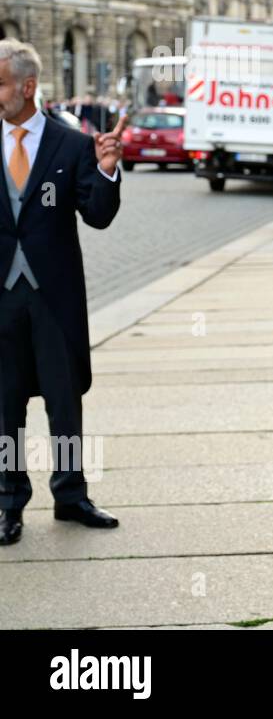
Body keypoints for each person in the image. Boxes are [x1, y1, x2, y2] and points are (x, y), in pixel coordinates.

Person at [0, 40, 126, 547]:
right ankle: (8, 503)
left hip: (54, 298)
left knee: (64, 403)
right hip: (2, 299)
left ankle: (71, 496)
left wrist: (107, 169)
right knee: (5, 409)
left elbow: (97, 214)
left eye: (1, 83)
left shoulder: (70, 144)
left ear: (27, 87)